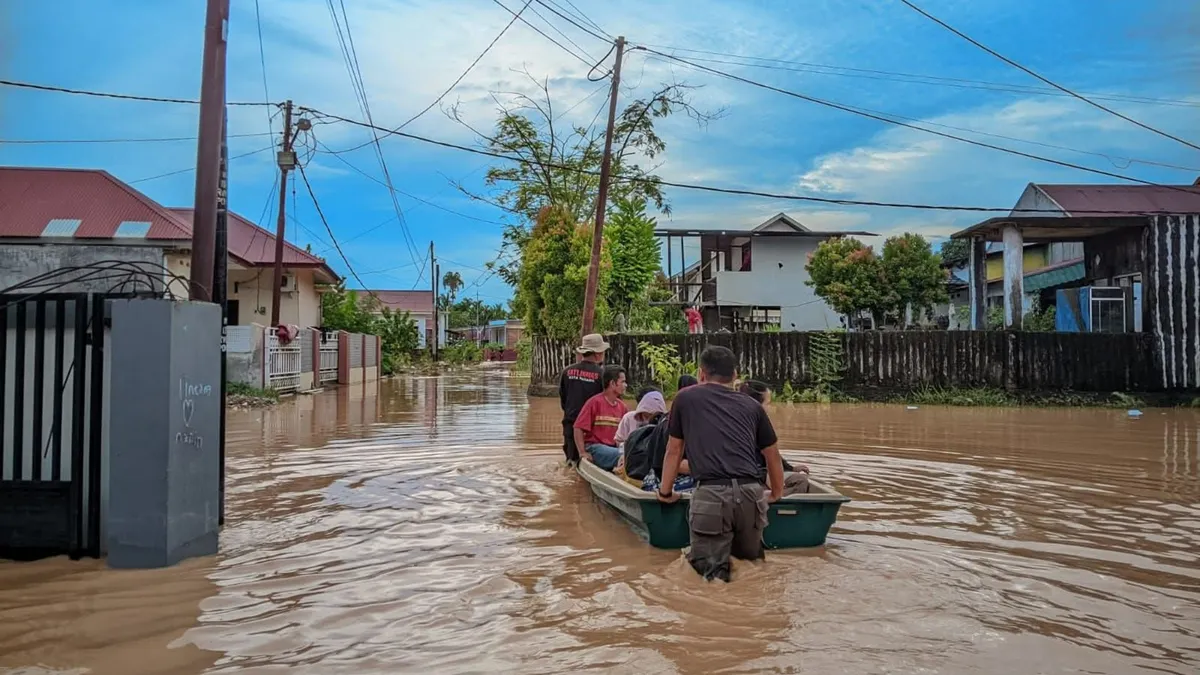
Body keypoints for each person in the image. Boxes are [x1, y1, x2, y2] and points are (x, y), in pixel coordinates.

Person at [658, 345, 785, 582]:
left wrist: (665, 492)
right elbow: (773, 454)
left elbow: (674, 450)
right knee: (751, 570)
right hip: (751, 496)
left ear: (701, 374)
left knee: (711, 579)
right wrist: (776, 493)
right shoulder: (752, 405)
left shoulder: (685, 398)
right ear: (735, 375)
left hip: (711, 497)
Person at [738, 380, 810, 495]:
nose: (769, 408)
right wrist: (767, 477)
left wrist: (791, 468)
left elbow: (771, 454)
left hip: (755, 478)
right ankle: (769, 498)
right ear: (756, 405)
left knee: (798, 479)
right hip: (751, 479)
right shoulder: (752, 424)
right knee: (801, 482)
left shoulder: (737, 421)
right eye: (768, 403)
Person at [558, 334, 608, 466]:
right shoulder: (602, 375)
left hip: (570, 423)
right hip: (592, 427)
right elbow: (605, 402)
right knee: (591, 463)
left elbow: (563, 399)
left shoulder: (567, 372)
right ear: (597, 354)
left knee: (571, 462)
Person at [573, 365, 628, 471]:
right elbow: (578, 428)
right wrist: (582, 452)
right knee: (623, 455)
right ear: (612, 383)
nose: (626, 385)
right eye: (623, 382)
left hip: (614, 448)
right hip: (595, 447)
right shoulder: (594, 403)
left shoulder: (623, 407)